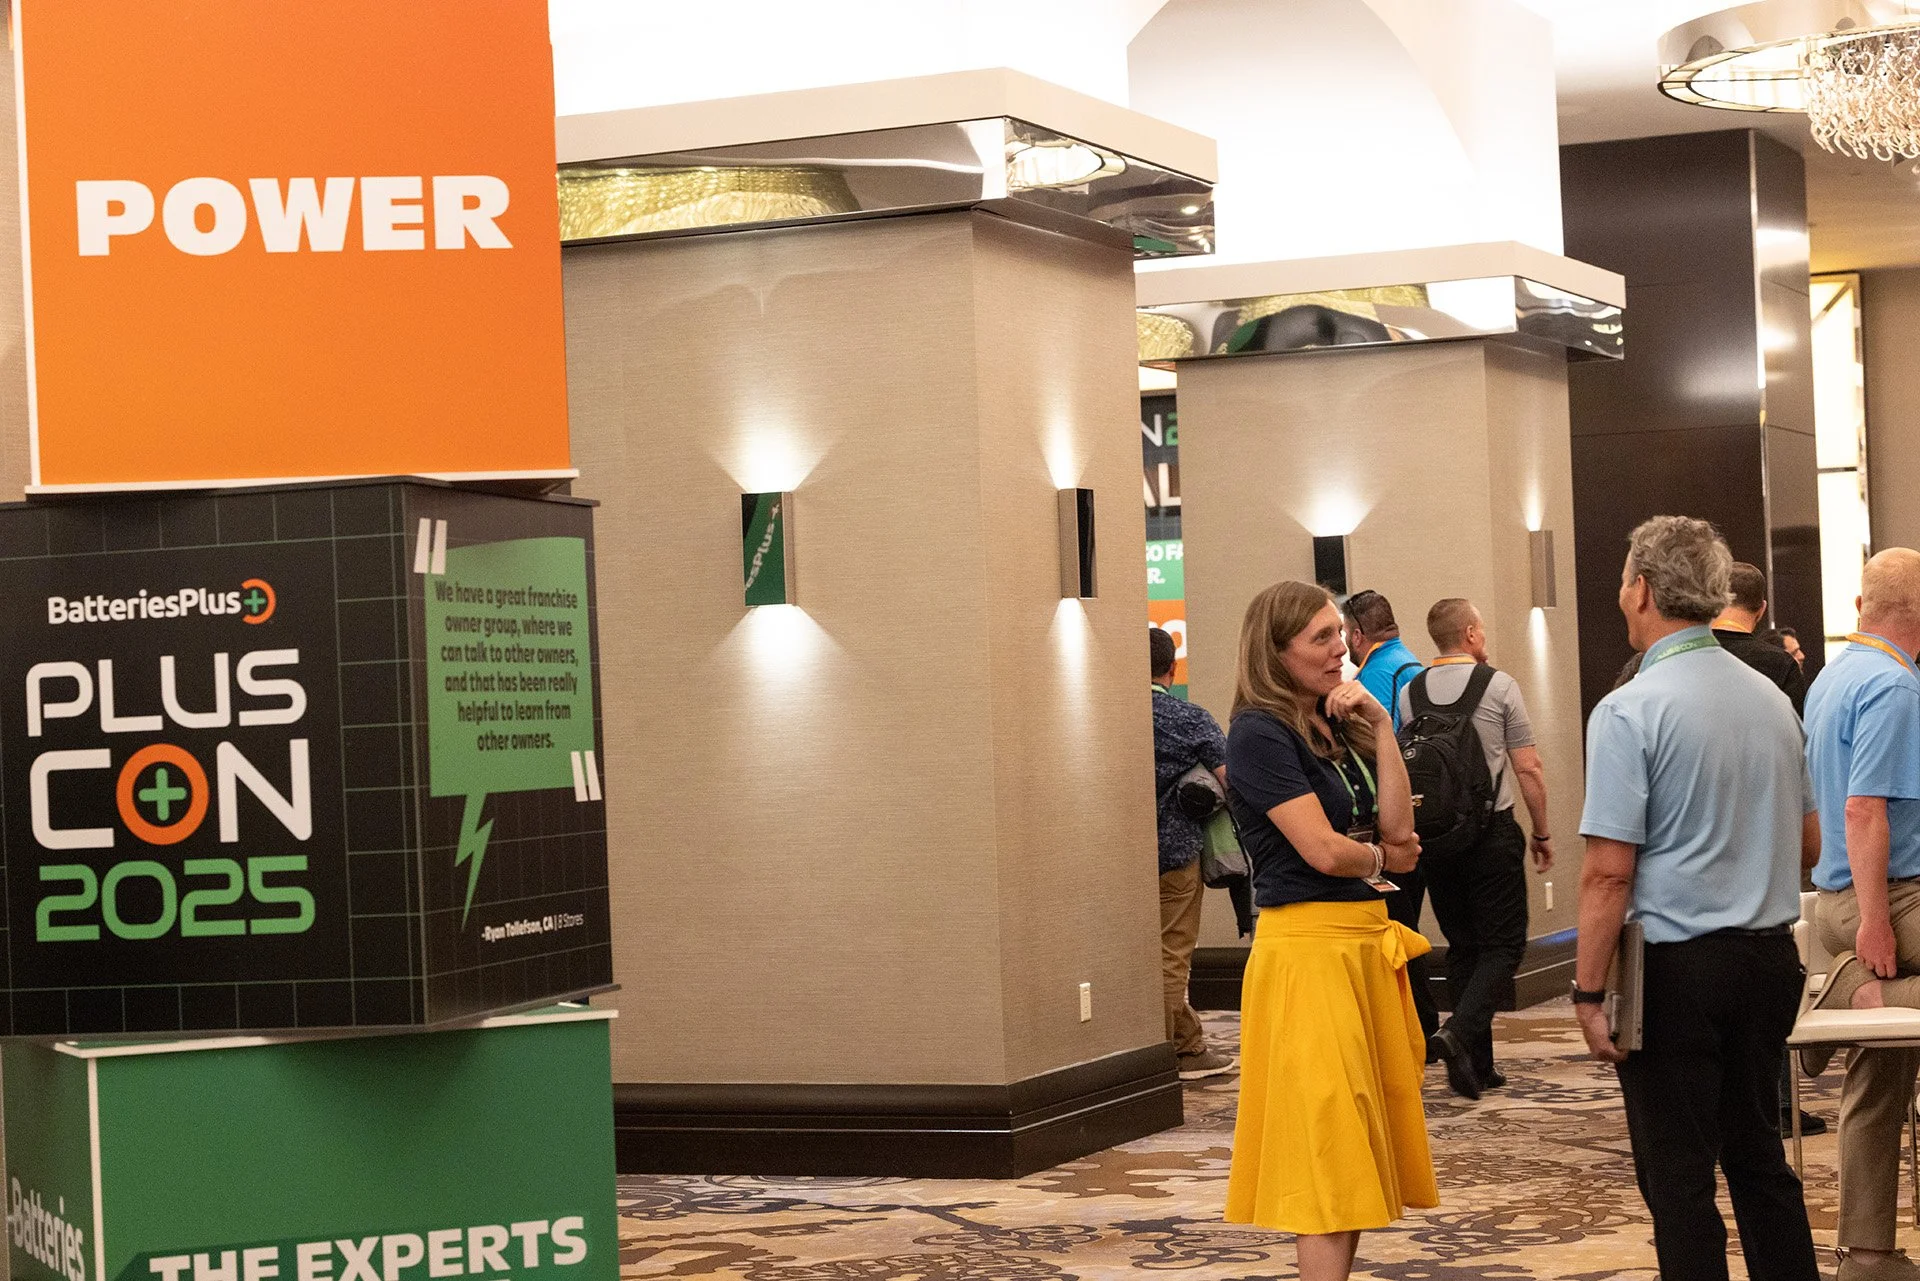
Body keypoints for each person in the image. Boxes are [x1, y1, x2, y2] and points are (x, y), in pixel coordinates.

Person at [1574, 515, 1820, 1281]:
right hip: (1771, 958)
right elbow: (1810, 846)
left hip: (1675, 969)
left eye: (1623, 578)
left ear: (1641, 589)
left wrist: (1586, 989)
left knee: (1677, 1174)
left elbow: (1609, 872)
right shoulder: (1772, 698)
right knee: (1757, 1157)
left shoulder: (1630, 708)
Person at [1223, 581, 1435, 1281]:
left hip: (1358, 947)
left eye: (1338, 633)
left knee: (1352, 1164)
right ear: (1275, 652)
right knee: (1327, 1167)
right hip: (1309, 959)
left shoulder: (1331, 723)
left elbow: (1402, 827)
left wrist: (1379, 724)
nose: (1339, 647)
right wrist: (1381, 857)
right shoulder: (1259, 732)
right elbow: (1323, 849)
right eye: (1320, 637)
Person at [1802, 548, 1920, 1281]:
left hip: (1837, 902)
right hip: (1888, 899)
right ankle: (1851, 986)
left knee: (1881, 1069)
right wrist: (1876, 923)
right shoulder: (1892, 685)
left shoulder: (1834, 674)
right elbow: (1862, 808)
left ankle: (1870, 1252)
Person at [1398, 598, 1551, 1100]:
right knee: (1505, 944)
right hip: (1491, 834)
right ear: (1468, 633)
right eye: (1480, 628)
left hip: (1438, 839)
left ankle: (1476, 1067)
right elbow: (1528, 767)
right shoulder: (1499, 685)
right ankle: (1460, 1034)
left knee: (1463, 944)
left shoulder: (1410, 691)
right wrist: (1542, 832)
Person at [1340, 588, 1438, 1043]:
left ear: (1357, 634)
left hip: (1387, 828)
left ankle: (1413, 1025)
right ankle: (1424, 1022)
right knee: (1411, 924)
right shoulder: (1416, 669)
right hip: (1428, 817)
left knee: (1395, 928)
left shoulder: (1371, 679)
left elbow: (1367, 759)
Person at [1149, 626, 1238, 1082]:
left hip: (1112, 857)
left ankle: (1188, 1045)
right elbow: (1231, 781)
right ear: (1172, 668)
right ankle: (1156, 1061)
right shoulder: (1189, 719)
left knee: (1135, 955)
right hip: (1175, 852)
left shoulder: (1107, 714)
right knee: (1171, 954)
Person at [1714, 561, 1807, 715]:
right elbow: (1796, 732)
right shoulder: (1782, 665)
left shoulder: (1684, 658)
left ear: (1713, 603)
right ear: (1762, 609)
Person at [1341, 589, 1422, 729]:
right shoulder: (1404, 658)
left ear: (1356, 636)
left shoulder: (1377, 673)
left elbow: (1378, 740)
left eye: (1345, 633)